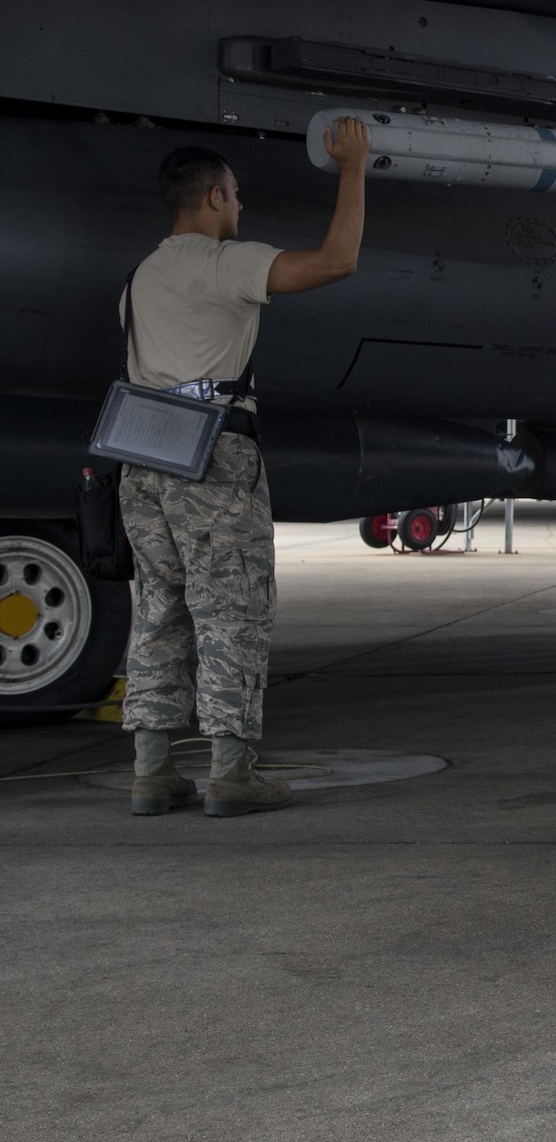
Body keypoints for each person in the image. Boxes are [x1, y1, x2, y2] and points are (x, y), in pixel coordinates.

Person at [124, 117, 372, 817]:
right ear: (210, 200)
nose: (240, 206)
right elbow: (335, 261)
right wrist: (353, 167)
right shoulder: (221, 263)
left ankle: (151, 770)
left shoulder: (143, 273)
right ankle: (230, 773)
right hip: (211, 452)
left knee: (158, 611)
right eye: (233, 195)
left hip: (142, 459)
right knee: (231, 610)